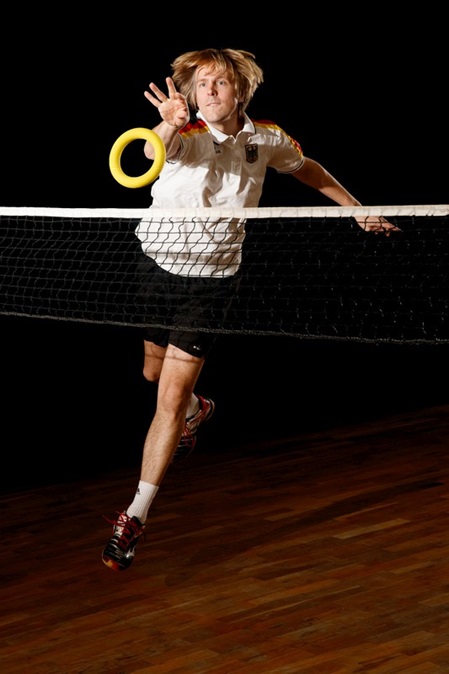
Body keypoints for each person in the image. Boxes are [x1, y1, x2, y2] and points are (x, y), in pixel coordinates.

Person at [102, 48, 400, 571]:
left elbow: (307, 168)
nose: (209, 92)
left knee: (167, 398)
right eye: (201, 85)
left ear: (240, 90)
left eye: (219, 83)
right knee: (151, 373)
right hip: (156, 268)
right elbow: (155, 150)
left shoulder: (268, 138)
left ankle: (135, 515)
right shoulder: (186, 135)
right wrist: (167, 122)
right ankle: (198, 410)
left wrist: (358, 210)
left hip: (212, 283)